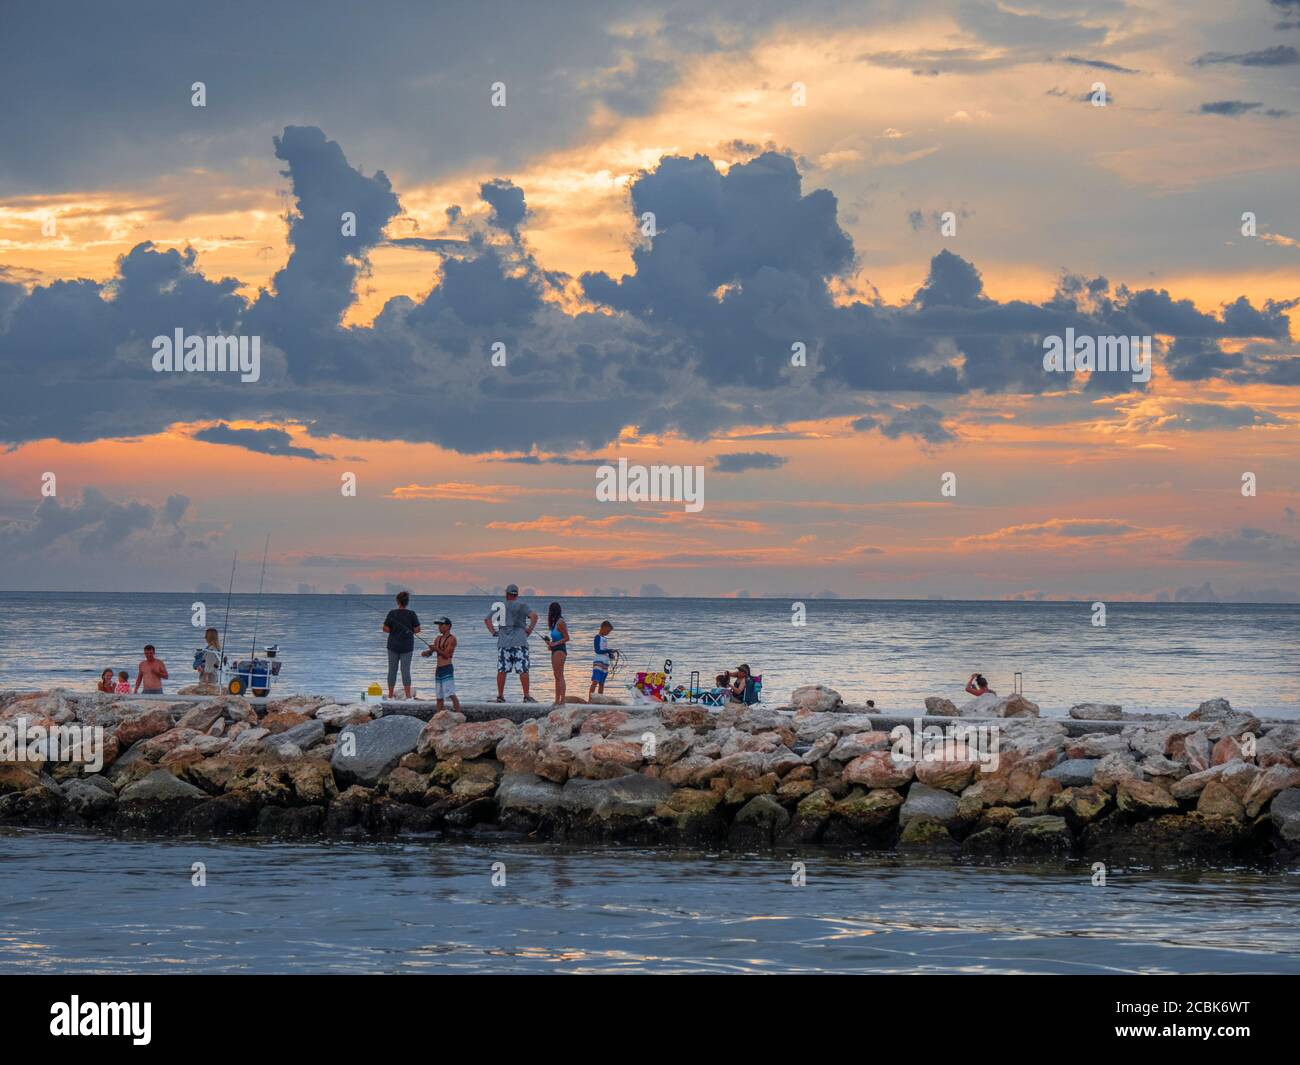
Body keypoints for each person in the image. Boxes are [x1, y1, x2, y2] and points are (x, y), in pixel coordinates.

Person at [484, 583, 538, 702]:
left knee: (502, 670)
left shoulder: (500, 606)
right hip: (520, 641)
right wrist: (529, 630)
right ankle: (526, 696)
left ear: (506, 594)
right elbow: (534, 616)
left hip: (503, 642)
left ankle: (500, 696)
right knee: (523, 669)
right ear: (517, 595)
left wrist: (493, 632)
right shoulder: (522, 605)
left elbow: (487, 620)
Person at [383, 590, 421, 700]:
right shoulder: (412, 614)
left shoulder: (392, 613)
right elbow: (417, 629)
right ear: (407, 602)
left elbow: (385, 629)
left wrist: (393, 630)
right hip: (407, 647)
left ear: (397, 601)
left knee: (392, 670)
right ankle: (408, 696)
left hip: (393, 646)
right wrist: (409, 630)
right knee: (406, 671)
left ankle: (390, 695)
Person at [420, 616, 462, 712]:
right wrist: (426, 653)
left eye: (441, 625)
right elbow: (432, 652)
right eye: (439, 625)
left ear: (448, 626)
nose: (439, 627)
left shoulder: (452, 639)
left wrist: (435, 649)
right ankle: (438, 716)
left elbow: (447, 655)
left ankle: (459, 714)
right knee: (439, 696)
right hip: (438, 669)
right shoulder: (437, 638)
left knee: (451, 693)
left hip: (447, 668)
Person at [541, 601, 570, 707]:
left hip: (560, 650)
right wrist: (550, 644)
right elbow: (556, 638)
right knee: (556, 676)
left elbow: (567, 637)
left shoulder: (561, 622)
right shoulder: (554, 623)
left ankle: (562, 700)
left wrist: (554, 644)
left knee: (560, 675)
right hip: (554, 650)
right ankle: (557, 700)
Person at [589, 620, 616, 699]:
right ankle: (590, 700)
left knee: (602, 683)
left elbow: (604, 650)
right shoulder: (597, 637)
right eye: (607, 631)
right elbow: (597, 650)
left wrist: (610, 654)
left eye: (609, 632)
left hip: (605, 663)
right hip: (598, 662)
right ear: (603, 627)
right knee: (595, 681)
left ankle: (599, 700)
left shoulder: (605, 639)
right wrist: (609, 650)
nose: (608, 633)